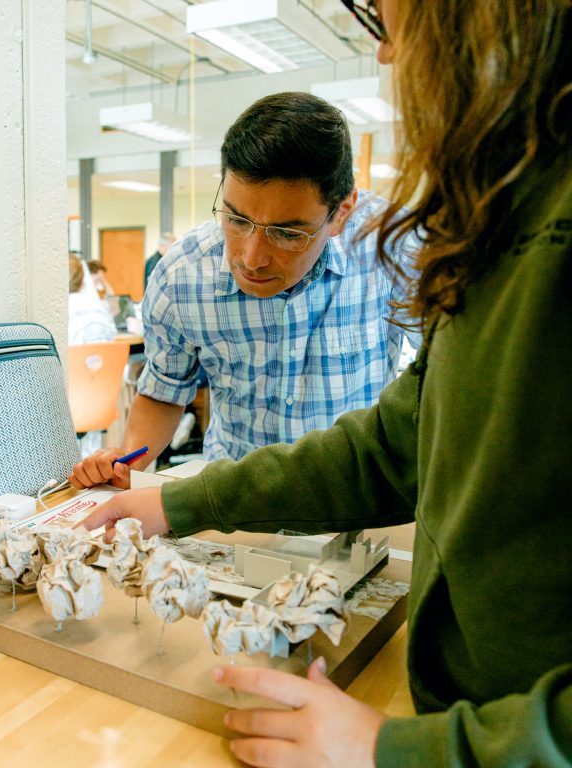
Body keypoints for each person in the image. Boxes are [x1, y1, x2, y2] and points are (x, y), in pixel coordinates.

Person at [81, 1, 572, 765]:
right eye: (239, 221)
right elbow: (397, 442)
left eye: (392, 21)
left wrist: (409, 751)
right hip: (273, 544)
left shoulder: (409, 243)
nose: (252, 254)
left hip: (419, 634)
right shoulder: (501, 211)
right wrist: (171, 496)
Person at [70, 91, 419, 490]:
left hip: (356, 496)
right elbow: (166, 391)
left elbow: (443, 370)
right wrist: (127, 462)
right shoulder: (182, 276)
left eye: (287, 233)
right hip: (234, 502)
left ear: (340, 213)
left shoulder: (394, 248)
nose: (251, 258)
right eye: (236, 219)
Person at [67, 254, 116, 345]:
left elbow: (113, 298)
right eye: (97, 279)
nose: (99, 283)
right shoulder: (97, 308)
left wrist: (102, 279)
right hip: (104, 357)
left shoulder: (69, 306)